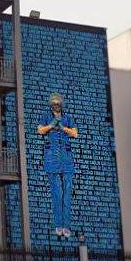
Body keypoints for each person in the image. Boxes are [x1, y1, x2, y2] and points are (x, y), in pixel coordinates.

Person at [37, 93, 78, 238]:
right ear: (51, 104)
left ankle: (66, 225)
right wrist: (51, 125)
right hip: (52, 156)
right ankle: (58, 225)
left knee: (67, 192)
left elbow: (75, 134)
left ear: (61, 104)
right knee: (57, 193)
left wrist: (63, 128)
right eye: (54, 103)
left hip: (66, 157)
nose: (56, 105)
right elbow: (40, 130)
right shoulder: (46, 116)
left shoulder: (68, 118)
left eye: (58, 103)